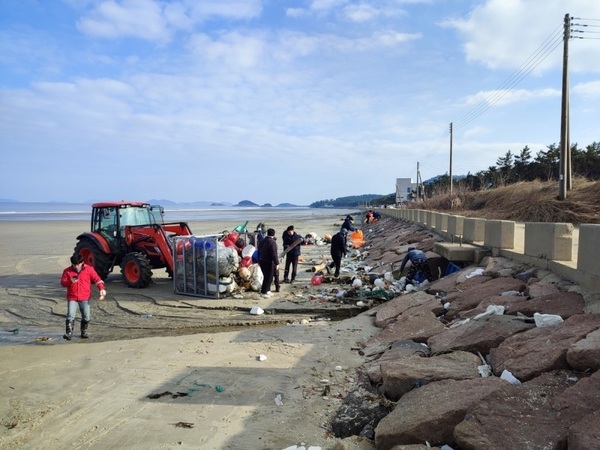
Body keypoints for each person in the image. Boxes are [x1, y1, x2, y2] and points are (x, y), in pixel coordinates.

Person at [60, 254, 106, 340]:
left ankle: (83, 332)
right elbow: (63, 283)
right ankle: (69, 333)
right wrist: (70, 281)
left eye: (78, 264)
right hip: (72, 297)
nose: (76, 266)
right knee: (70, 315)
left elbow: (97, 280)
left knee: (86, 317)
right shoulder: (67, 271)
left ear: (82, 262)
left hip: (85, 297)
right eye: (74, 265)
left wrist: (101, 289)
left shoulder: (89, 269)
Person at [257, 228, 279, 297]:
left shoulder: (262, 241)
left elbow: (259, 250)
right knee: (268, 277)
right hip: (268, 261)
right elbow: (274, 254)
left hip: (261, 260)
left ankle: (268, 290)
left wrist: (259, 259)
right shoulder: (272, 242)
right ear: (273, 234)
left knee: (266, 276)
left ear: (267, 233)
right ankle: (263, 292)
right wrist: (277, 263)